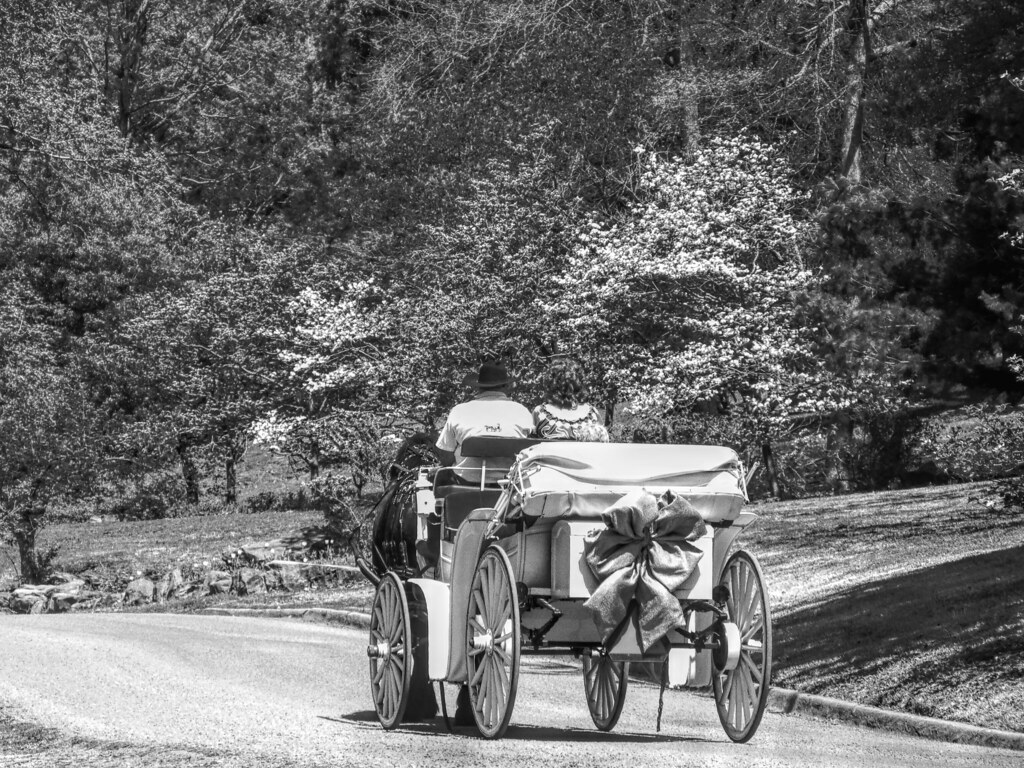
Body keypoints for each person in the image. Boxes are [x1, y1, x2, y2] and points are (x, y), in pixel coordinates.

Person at [434, 360, 534, 482]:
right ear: (506, 386)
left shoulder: (459, 411)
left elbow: (446, 455)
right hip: (511, 485)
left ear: (479, 387)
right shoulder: (522, 412)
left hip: (466, 485)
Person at [532, 358, 609, 442]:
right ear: (579, 383)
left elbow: (529, 447)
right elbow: (604, 446)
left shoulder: (541, 412)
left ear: (551, 383)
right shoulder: (592, 413)